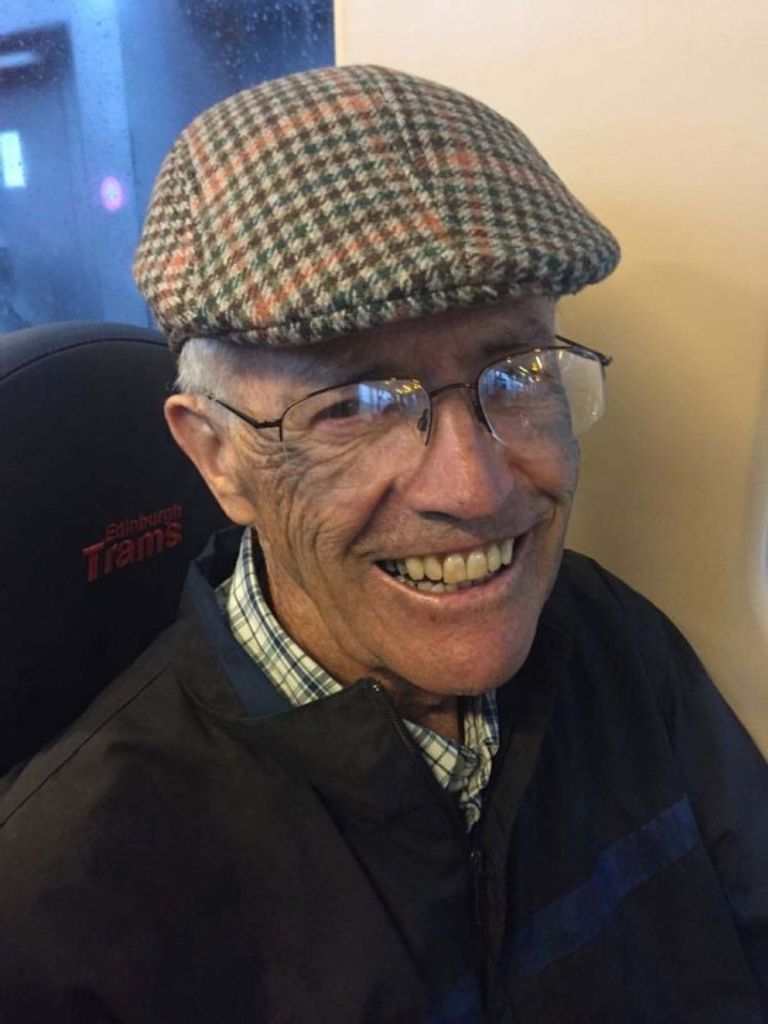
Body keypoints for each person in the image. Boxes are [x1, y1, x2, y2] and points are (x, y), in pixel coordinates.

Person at [1, 64, 766, 1023]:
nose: (475, 488)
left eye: (519, 370)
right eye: (356, 402)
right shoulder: (58, 913)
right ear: (216, 457)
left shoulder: (613, 640)